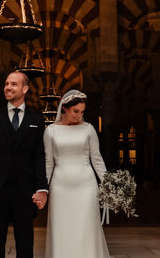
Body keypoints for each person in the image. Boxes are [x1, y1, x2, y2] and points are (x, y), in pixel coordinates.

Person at [0, 71, 48, 258]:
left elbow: (39, 156)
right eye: (7, 83)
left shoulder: (36, 120)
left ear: (25, 89)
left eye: (13, 84)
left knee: (25, 242)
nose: (8, 87)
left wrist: (42, 188)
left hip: (25, 191)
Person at [43, 90, 109, 258]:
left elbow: (97, 159)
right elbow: (49, 163)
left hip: (86, 185)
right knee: (62, 228)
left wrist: (108, 183)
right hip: (60, 187)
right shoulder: (50, 131)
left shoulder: (89, 129)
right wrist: (42, 188)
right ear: (64, 108)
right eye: (75, 111)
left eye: (82, 112)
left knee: (86, 227)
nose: (79, 116)